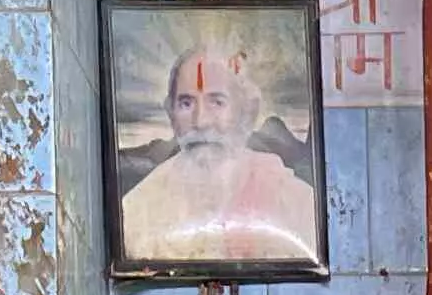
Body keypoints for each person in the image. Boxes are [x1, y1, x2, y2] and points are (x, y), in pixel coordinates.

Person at [119, 38, 318, 267]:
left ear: (246, 112)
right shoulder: (138, 210)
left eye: (217, 102)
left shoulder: (294, 200)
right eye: (186, 103)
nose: (201, 121)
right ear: (170, 112)